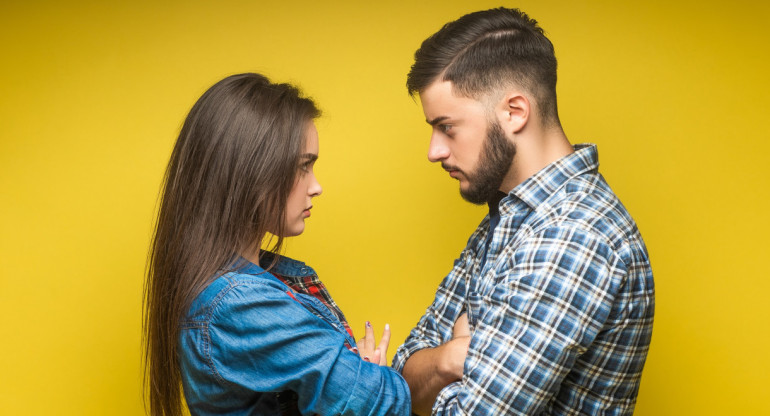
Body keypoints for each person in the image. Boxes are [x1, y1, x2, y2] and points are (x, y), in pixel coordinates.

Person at [392, 8, 655, 415]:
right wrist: (447, 360)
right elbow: (397, 379)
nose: (434, 151)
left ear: (514, 112)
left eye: (447, 127)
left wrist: (447, 355)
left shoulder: (572, 236)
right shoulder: (511, 215)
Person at [143, 73, 410, 416]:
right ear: (249, 172)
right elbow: (383, 402)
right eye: (303, 167)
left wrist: (361, 379)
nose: (316, 186)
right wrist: (371, 379)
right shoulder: (237, 304)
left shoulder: (261, 283)